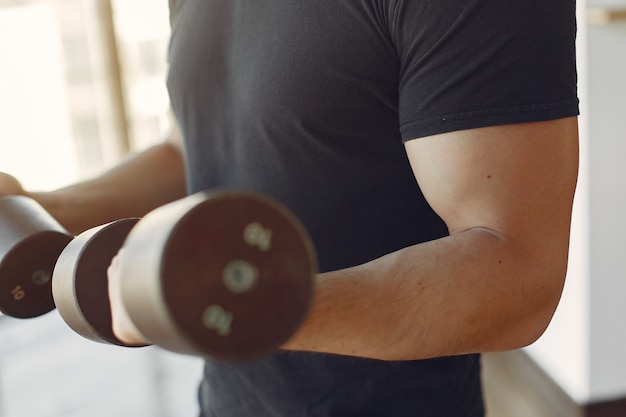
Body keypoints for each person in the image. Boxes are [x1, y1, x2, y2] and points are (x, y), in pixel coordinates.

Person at [0, 0, 580, 416]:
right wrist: (35, 207)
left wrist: (252, 304)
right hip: (228, 399)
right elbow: (194, 149)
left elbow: (517, 270)